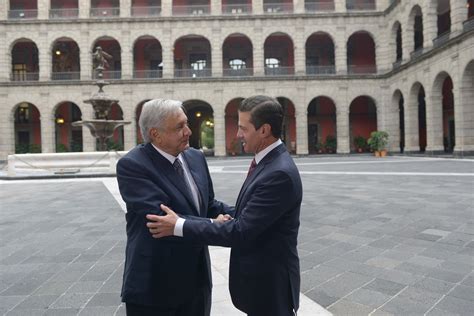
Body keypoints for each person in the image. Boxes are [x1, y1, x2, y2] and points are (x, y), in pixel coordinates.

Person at [146, 95, 303, 316]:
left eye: (243, 128)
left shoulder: (279, 173)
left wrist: (178, 225)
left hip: (270, 284)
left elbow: (241, 232)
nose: (238, 134)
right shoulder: (268, 161)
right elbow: (248, 215)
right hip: (261, 282)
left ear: (264, 130)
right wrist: (225, 215)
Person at [116, 99, 233, 316]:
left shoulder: (195, 157)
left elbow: (208, 205)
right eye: (179, 127)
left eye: (186, 123)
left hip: (197, 283)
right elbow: (161, 219)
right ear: (155, 134)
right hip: (155, 288)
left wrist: (244, 212)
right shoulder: (133, 165)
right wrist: (212, 224)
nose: (188, 131)